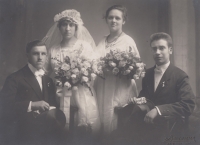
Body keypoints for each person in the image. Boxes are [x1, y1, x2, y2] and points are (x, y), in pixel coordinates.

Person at [111, 32, 196, 145]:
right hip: (147, 128)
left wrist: (158, 110)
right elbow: (145, 97)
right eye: (154, 49)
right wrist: (137, 100)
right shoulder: (148, 73)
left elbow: (188, 104)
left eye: (161, 48)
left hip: (170, 130)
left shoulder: (180, 76)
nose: (157, 52)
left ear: (170, 50)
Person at [43, 9, 100, 135]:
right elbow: (44, 72)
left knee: (83, 129)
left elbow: (94, 70)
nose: (67, 28)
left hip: (82, 95)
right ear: (59, 27)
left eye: (71, 25)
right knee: (62, 130)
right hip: (61, 94)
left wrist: (79, 76)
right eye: (64, 24)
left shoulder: (84, 46)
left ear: (76, 27)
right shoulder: (53, 50)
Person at [0, 40, 66, 145]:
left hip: (46, 133)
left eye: (43, 54)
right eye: (35, 53)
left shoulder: (48, 80)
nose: (40, 57)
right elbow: (5, 107)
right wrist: (32, 105)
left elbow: (52, 105)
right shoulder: (15, 78)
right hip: (23, 134)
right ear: (28, 56)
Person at [95, 5, 140, 135]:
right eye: (110, 18)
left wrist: (122, 69)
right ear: (106, 20)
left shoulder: (128, 41)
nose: (113, 21)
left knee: (118, 123)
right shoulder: (102, 40)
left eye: (117, 18)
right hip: (103, 87)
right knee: (103, 120)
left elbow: (136, 68)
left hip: (120, 88)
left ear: (123, 21)